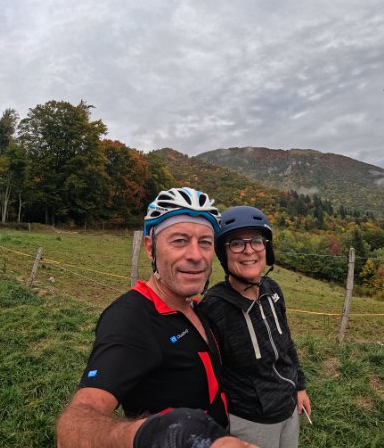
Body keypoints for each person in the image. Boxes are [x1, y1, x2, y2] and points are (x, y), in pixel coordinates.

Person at [56, 188, 259, 448]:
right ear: (151, 248)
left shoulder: (196, 306)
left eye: (205, 242)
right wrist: (152, 435)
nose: (196, 256)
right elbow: (74, 425)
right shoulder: (131, 319)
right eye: (180, 241)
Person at [198, 206, 311, 448]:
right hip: (250, 420)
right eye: (237, 243)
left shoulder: (272, 291)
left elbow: (286, 344)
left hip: (289, 408)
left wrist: (299, 387)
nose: (249, 250)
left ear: (266, 248)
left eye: (257, 241)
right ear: (223, 254)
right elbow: (206, 374)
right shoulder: (214, 308)